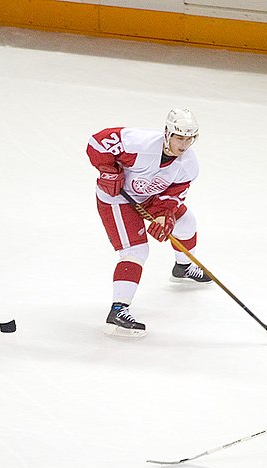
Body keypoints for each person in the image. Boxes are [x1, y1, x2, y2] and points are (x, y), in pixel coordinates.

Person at [86, 108, 211, 338]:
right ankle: (119, 310)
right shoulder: (139, 143)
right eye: (179, 137)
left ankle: (183, 267)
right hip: (116, 199)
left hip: (150, 198)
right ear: (167, 133)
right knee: (136, 249)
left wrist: (165, 216)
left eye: (189, 138)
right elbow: (98, 142)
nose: (184, 144)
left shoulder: (188, 165)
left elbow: (174, 195)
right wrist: (109, 170)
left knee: (186, 221)